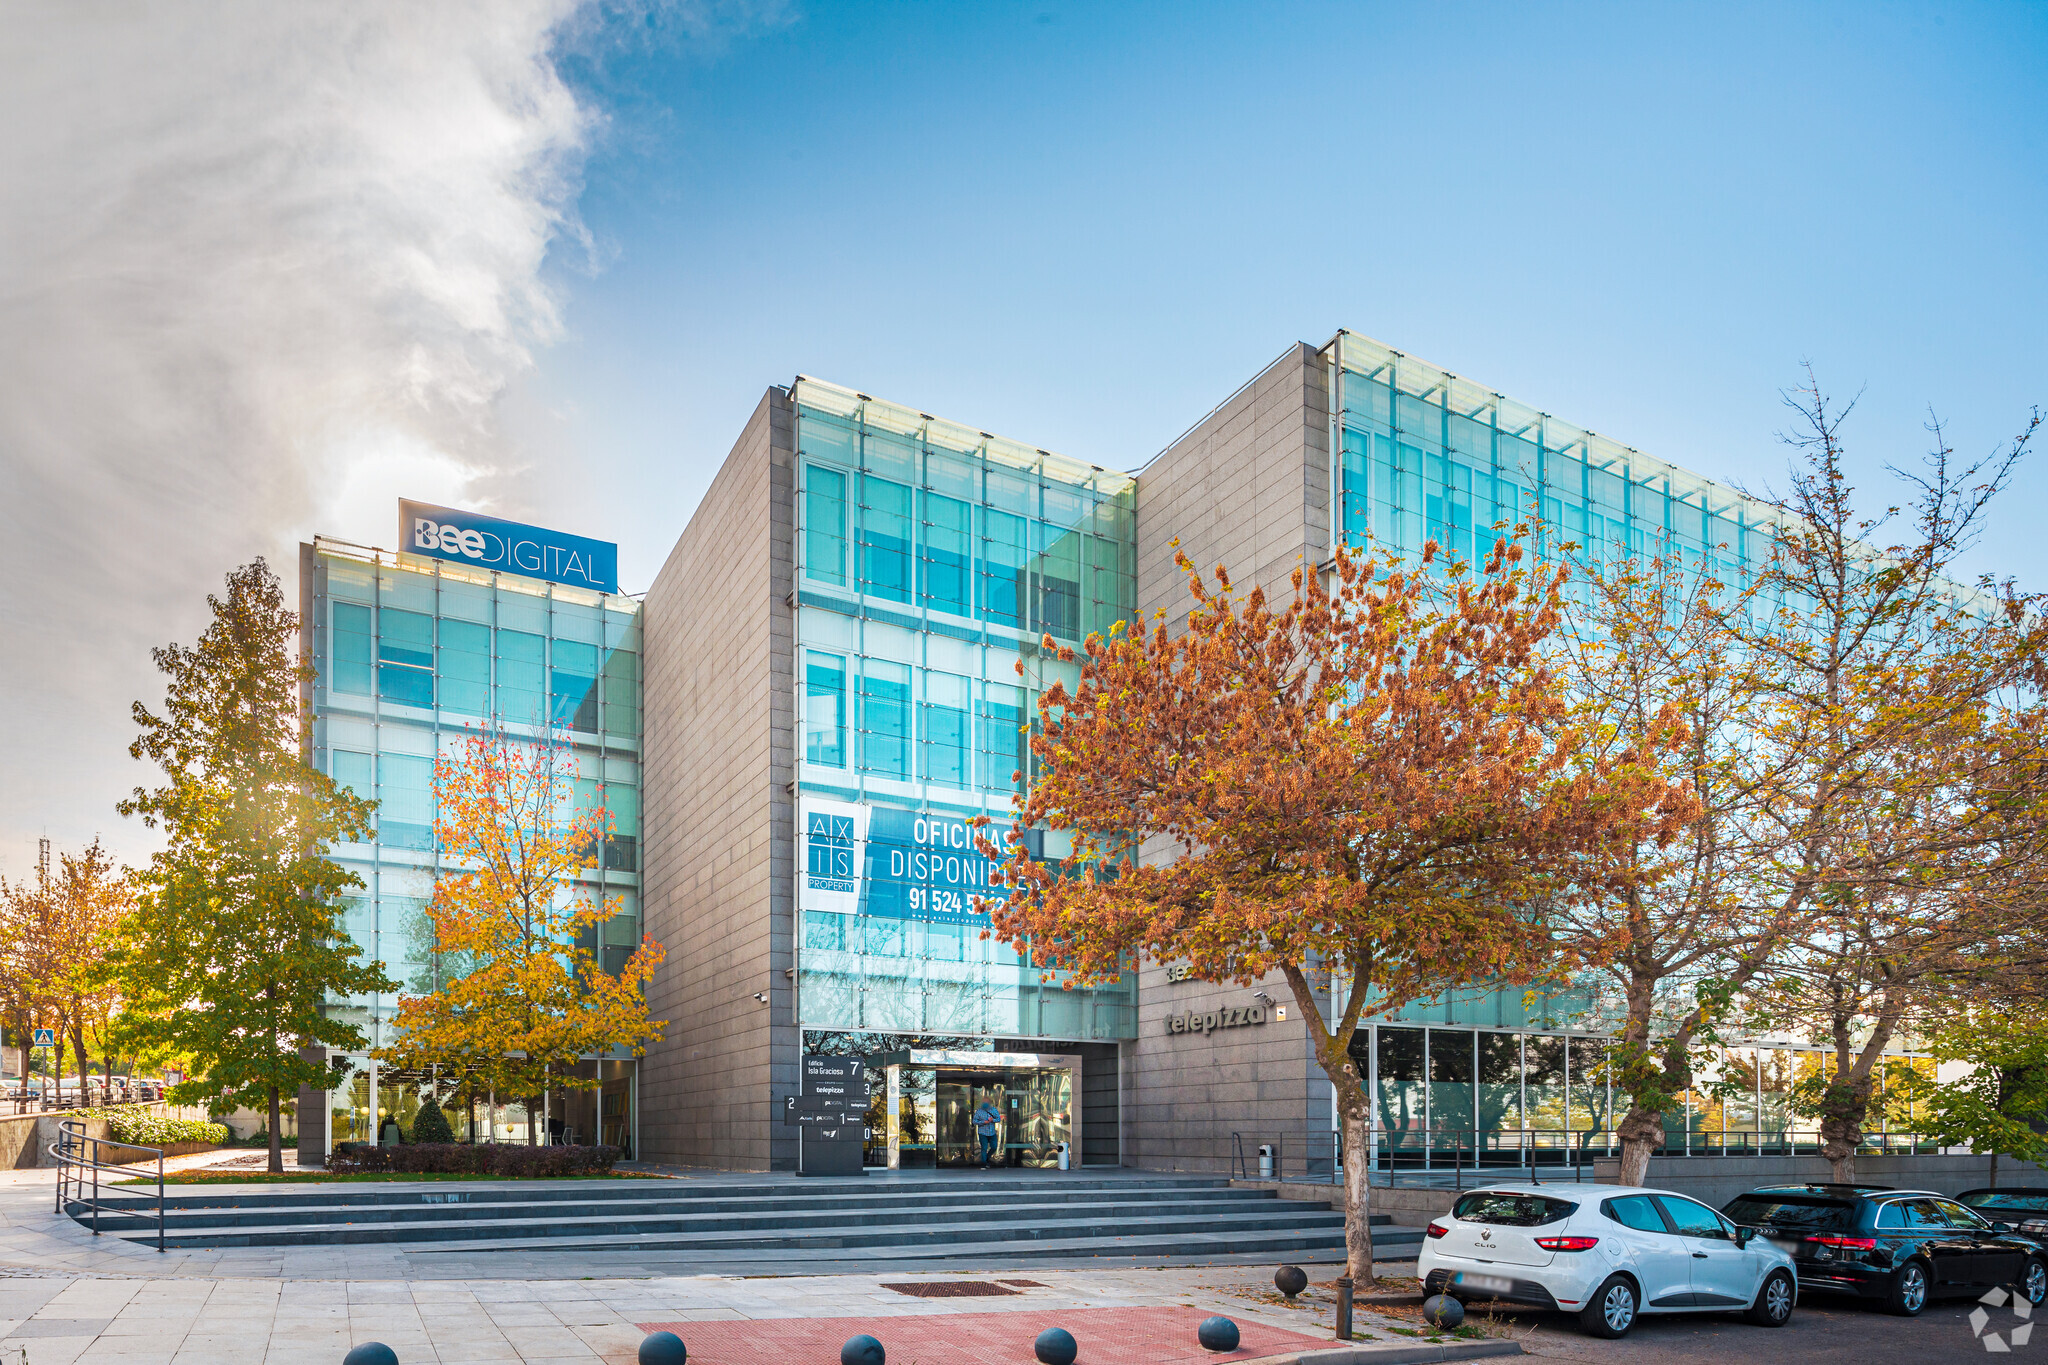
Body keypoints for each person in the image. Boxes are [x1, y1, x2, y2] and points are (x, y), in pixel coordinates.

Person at [971, 1092, 1002, 1168]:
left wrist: (992, 1120)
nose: (985, 1103)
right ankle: (984, 1163)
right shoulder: (979, 1111)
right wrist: (983, 1122)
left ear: (990, 1102)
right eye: (984, 1102)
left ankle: (987, 1158)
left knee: (994, 1147)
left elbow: (998, 1119)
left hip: (992, 1132)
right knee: (984, 1148)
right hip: (982, 1132)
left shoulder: (993, 1110)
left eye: (987, 1102)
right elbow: (974, 1121)